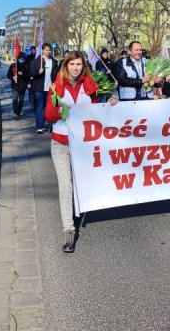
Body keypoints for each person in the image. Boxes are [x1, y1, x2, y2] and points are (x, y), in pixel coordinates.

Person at [44, 51, 118, 253]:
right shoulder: (57, 86)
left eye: (79, 64)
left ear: (83, 66)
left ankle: (74, 210)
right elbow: (48, 115)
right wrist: (57, 111)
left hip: (83, 146)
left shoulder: (91, 86)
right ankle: (68, 230)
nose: (75, 67)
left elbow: (97, 111)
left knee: (78, 184)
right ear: (66, 66)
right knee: (65, 185)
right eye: (72, 64)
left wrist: (111, 102)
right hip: (60, 143)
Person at [30, 43, 59, 134]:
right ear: (42, 50)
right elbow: (31, 73)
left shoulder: (53, 61)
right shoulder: (37, 61)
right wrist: (38, 72)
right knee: (40, 106)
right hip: (39, 88)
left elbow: (57, 73)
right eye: (46, 50)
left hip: (50, 87)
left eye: (49, 50)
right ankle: (40, 126)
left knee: (51, 107)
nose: (48, 51)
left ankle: (53, 125)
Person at [7, 51, 30, 119]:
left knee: (21, 101)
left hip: (23, 86)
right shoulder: (13, 65)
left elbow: (29, 76)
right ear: (18, 59)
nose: (21, 60)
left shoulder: (26, 66)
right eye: (20, 59)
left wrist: (22, 75)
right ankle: (16, 112)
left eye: (23, 59)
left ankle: (18, 112)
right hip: (15, 86)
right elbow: (8, 75)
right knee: (15, 99)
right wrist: (13, 77)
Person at [25, 46, 37, 110]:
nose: (33, 51)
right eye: (32, 50)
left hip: (36, 77)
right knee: (30, 91)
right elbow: (26, 67)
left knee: (36, 92)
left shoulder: (38, 57)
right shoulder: (28, 57)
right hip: (30, 76)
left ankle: (35, 103)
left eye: (34, 50)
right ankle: (32, 103)